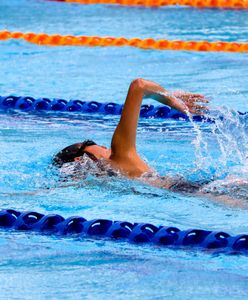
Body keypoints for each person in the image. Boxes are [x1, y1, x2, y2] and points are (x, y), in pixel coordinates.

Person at [53, 78, 209, 192]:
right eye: (89, 144)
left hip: (192, 192)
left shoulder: (114, 182)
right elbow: (139, 85)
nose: (102, 146)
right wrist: (173, 101)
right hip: (198, 190)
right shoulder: (118, 154)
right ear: (80, 159)